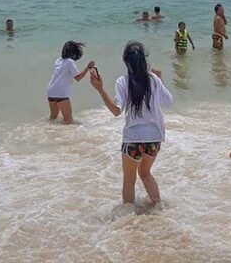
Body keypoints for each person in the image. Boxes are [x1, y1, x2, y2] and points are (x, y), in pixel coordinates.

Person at [90, 41, 174, 205]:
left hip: (133, 139)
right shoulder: (154, 79)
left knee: (129, 181)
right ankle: (159, 208)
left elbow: (116, 111)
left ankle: (128, 221)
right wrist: (160, 80)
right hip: (154, 138)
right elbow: (169, 102)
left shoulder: (123, 81)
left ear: (125, 60)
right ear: (144, 59)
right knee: (145, 173)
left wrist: (100, 89)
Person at [47, 40, 96, 123]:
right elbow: (78, 78)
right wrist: (88, 67)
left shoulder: (58, 60)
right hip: (61, 93)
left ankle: (48, 134)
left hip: (51, 91)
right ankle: (62, 135)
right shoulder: (70, 61)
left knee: (53, 118)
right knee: (68, 120)